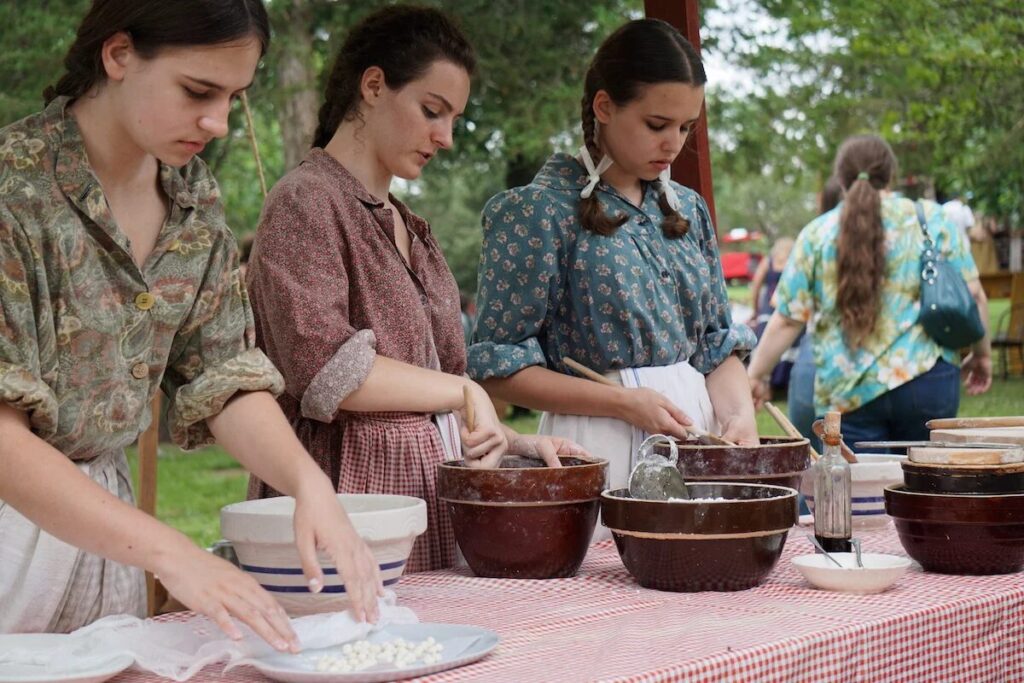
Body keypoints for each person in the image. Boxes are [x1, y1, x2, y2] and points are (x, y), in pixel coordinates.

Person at [0, 0, 383, 647]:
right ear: (118, 54)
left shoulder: (192, 199)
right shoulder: (15, 190)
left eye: (235, 96)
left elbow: (223, 379)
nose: (219, 121)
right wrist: (172, 552)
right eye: (197, 91)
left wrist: (307, 482)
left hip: (107, 537)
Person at [244, 6, 584, 574]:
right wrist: (463, 392)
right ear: (373, 85)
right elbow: (326, 372)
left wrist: (513, 442)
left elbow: (435, 387)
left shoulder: (411, 227)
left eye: (453, 119)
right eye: (432, 111)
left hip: (427, 500)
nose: (445, 137)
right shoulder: (304, 202)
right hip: (347, 501)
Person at [466, 19, 758, 493]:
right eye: (656, 125)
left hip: (694, 440)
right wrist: (622, 403)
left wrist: (738, 416)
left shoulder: (687, 209)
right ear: (604, 106)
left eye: (686, 127)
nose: (673, 144)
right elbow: (500, 373)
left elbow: (715, 346)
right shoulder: (536, 212)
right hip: (596, 439)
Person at [748, 136, 993, 450]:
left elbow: (786, 320)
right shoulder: (932, 219)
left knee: (858, 497)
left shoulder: (817, 234)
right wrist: (982, 355)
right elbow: (974, 296)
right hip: (928, 380)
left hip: (848, 393)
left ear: (841, 179)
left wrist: (755, 375)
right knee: (924, 493)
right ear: (891, 175)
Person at [787, 175, 843, 448]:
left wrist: (757, 374)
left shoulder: (816, 235)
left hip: (815, 355)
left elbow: (789, 314)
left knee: (808, 455)